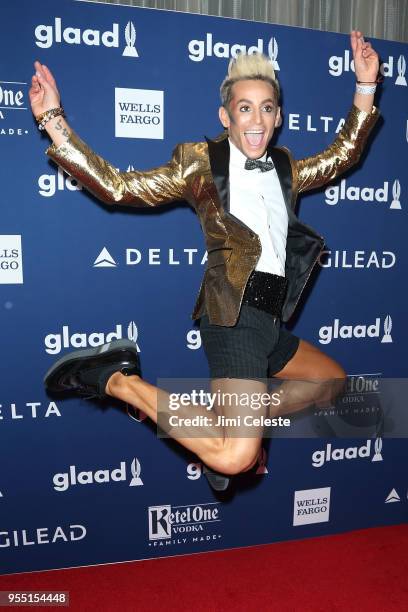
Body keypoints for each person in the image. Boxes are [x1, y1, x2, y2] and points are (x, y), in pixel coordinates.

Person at [30, 30, 380, 491]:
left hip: (269, 320)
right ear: (226, 116)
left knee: (329, 382)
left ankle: (231, 423)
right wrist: (53, 120)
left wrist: (365, 87)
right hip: (232, 315)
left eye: (267, 108)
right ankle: (114, 379)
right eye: (244, 108)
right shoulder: (200, 164)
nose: (256, 120)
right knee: (237, 458)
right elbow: (119, 186)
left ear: (277, 117)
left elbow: (343, 155)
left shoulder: (285, 166)